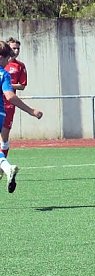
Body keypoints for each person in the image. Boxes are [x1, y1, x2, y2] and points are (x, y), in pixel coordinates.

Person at [0, 40, 43, 193]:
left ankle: (6, 167)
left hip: (6, 109)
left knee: (3, 140)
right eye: (6, 59)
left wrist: (31, 111)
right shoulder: (3, 73)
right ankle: (5, 167)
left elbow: (10, 96)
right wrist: (31, 111)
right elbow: (9, 95)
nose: (8, 62)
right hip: (1, 112)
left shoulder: (10, 71)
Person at [1, 37, 27, 157]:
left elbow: (22, 86)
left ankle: (3, 164)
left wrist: (6, 85)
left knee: (4, 136)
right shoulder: (3, 64)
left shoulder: (20, 66)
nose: (16, 51)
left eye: (18, 48)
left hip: (9, 105)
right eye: (13, 48)